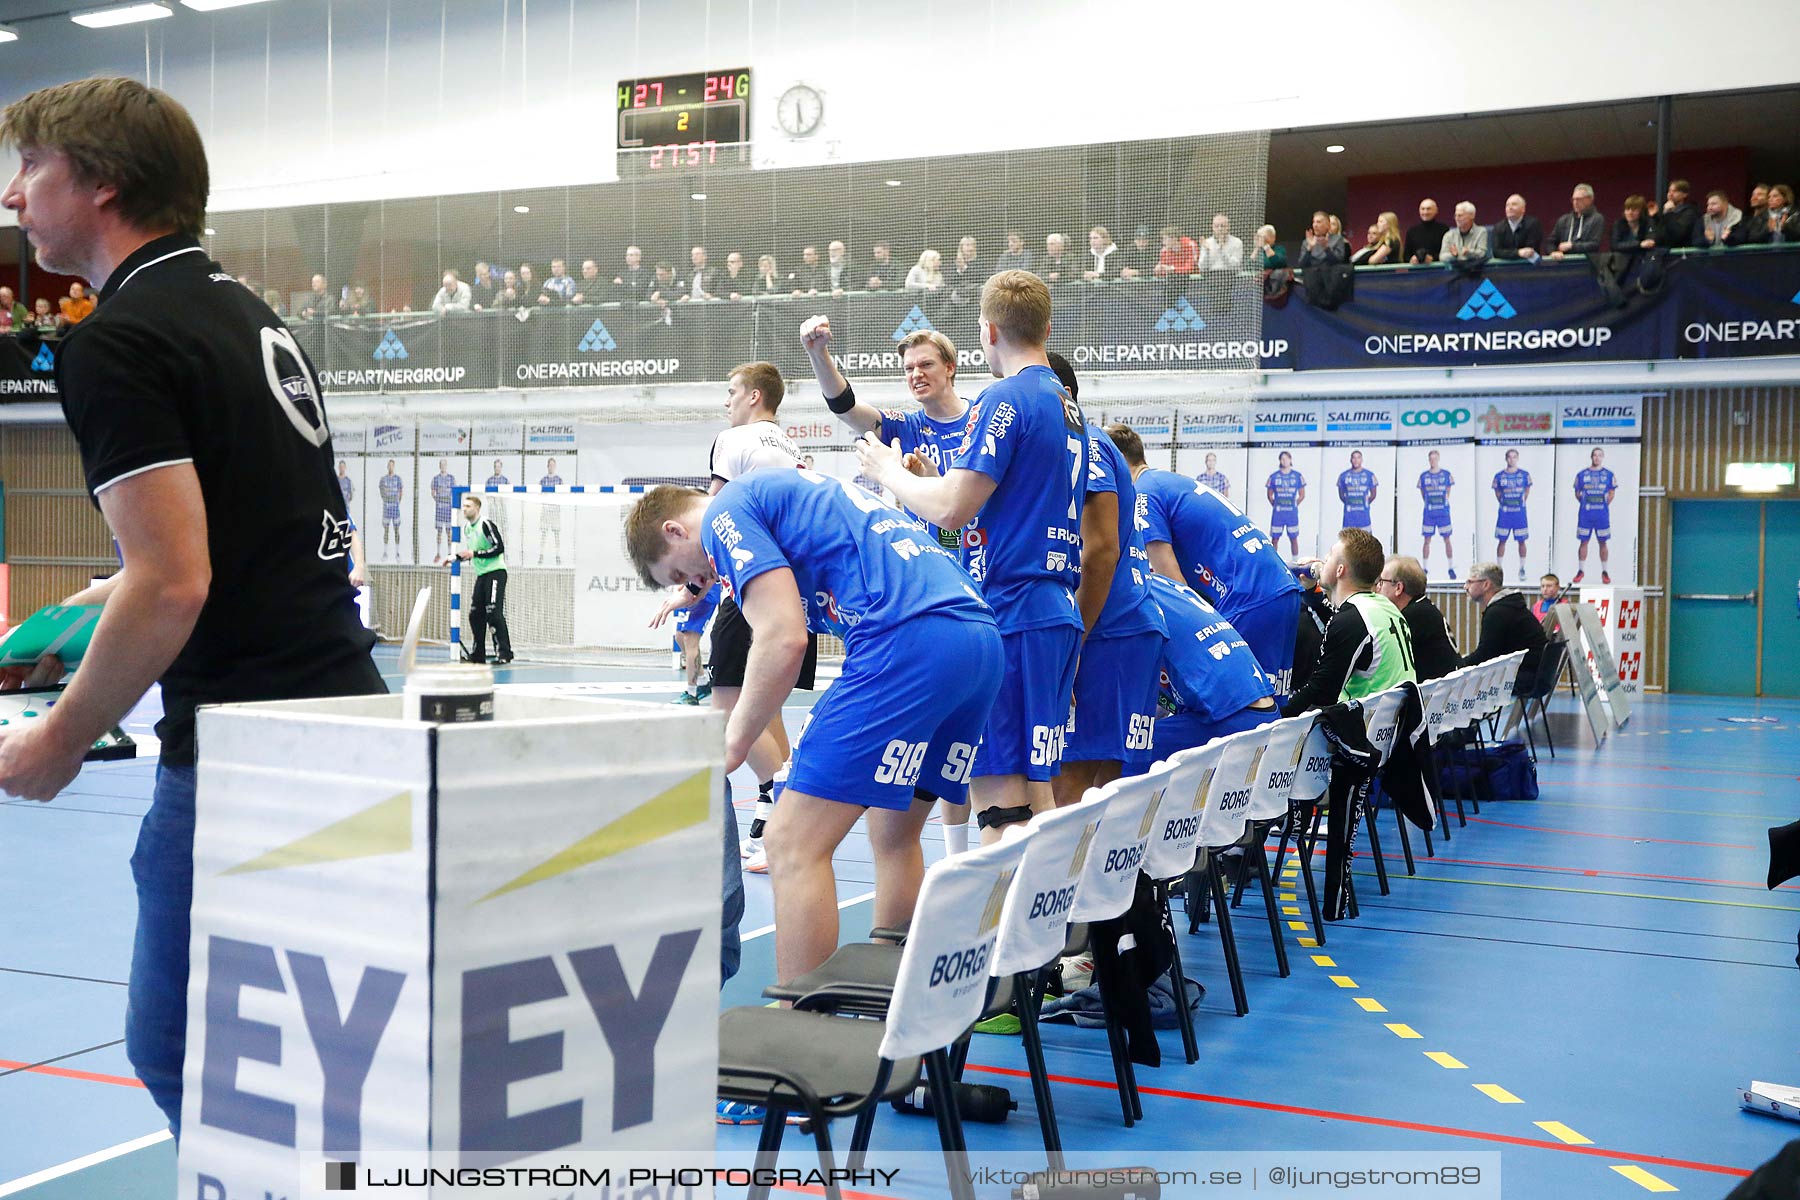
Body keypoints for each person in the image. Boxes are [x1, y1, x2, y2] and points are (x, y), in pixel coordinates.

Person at [0, 76, 383, 1137]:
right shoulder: (243, 313)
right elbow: (230, 544)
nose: (15, 196)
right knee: (315, 1049)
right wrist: (89, 615)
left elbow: (177, 580)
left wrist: (62, 737)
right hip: (344, 714)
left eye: (33, 166)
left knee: (182, 1051)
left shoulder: (117, 339)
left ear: (104, 181)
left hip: (243, 752)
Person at [625, 475, 1000, 992]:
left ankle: (801, 1031)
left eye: (682, 571)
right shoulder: (788, 498)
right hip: (977, 640)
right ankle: (896, 1006)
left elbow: (782, 638)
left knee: (790, 842)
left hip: (908, 638)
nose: (699, 578)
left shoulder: (723, 514)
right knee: (894, 833)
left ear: (674, 530)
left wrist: (732, 743)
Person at [856, 270, 1086, 844]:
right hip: (1054, 610)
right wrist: (938, 481)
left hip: (1011, 610)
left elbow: (953, 511)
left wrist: (887, 471)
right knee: (1040, 791)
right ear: (1047, 327)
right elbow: (998, 504)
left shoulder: (1004, 398)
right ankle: (1057, 926)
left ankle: (1001, 933)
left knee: (999, 800)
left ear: (986, 331)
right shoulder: (1064, 401)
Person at [801, 317, 980, 850]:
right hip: (935, 590)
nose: (916, 375)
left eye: (926, 365)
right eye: (908, 369)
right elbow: (849, 410)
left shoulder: (985, 421)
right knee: (950, 740)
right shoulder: (908, 426)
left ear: (951, 367)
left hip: (991, 584)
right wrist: (818, 354)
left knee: (983, 743)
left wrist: (935, 483)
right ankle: (953, 859)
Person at [658, 362, 813, 874]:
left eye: (731, 392)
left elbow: (714, 520)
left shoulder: (735, 439)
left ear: (753, 396)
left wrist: (692, 586)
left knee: (728, 708)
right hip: (795, 594)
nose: (726, 402)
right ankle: (774, 824)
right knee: (765, 709)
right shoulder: (790, 449)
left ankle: (789, 804)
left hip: (754, 587)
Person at [1047, 351, 1167, 805]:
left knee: (1069, 780)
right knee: (1104, 783)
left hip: (1109, 632)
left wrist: (1072, 638)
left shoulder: (1087, 445)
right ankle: (1098, 876)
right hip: (1127, 628)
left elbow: (1100, 551)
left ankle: (1057, 877)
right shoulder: (1088, 447)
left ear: (1066, 397)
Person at [1112, 424, 1306, 701]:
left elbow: (1175, 591)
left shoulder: (1142, 492)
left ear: (1118, 461)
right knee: (1273, 705)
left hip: (1248, 595)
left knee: (1241, 706)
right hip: (1279, 589)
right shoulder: (1166, 481)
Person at [1283, 529, 1416, 715]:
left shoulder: (1353, 619)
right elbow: (1335, 619)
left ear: (1340, 570)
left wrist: (1275, 717)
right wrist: (1311, 591)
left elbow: (1320, 692)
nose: (1322, 561)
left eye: (1328, 556)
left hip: (1360, 730)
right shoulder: (1382, 606)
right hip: (1391, 724)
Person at [1148, 574, 1280, 753]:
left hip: (1233, 718)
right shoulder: (1163, 584)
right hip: (1263, 711)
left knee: (1116, 753)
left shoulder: (1131, 595)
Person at [1461, 561, 1548, 687]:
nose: (1465, 587)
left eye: (1470, 582)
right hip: (1536, 672)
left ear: (1486, 584)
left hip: (1525, 675)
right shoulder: (1509, 606)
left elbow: (1485, 655)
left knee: (1465, 682)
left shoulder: (1498, 612)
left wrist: (1458, 665)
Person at [456, 493, 512, 665]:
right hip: (481, 575)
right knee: (475, 615)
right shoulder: (467, 529)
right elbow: (472, 552)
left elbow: (499, 547)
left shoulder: (485, 524)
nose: (465, 509)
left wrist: (474, 554)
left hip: (496, 572)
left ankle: (504, 653)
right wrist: (458, 557)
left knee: (493, 613)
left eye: (468, 506)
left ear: (477, 508)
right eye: (463, 507)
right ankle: (478, 654)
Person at [1380, 556, 1457, 681]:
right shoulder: (1422, 608)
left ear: (1398, 588)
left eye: (1382, 581)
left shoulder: (1411, 616)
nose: (1378, 587)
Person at [1571, 446, 1617, 584]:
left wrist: (1602, 505)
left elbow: (1611, 493)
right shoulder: (1581, 475)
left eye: (1599, 455)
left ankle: (1605, 571)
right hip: (1585, 514)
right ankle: (1581, 570)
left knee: (1603, 542)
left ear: (1603, 457)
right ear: (1591, 457)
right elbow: (1577, 493)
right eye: (1594, 455)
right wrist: (1586, 503)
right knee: (1583, 541)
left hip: (1602, 515)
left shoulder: (1609, 475)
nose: (1597, 457)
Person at [671, 581, 718, 706]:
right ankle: (702, 682)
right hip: (691, 589)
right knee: (679, 637)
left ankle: (692, 694)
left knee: (690, 639)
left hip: (705, 593)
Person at [1491, 447, 1532, 582]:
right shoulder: (1499, 476)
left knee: (1521, 541)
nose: (1512, 459)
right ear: (1506, 459)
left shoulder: (1524, 475)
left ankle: (1522, 568)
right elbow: (1497, 493)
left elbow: (1527, 491)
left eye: (1514, 457)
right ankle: (1499, 568)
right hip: (1505, 514)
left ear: (1517, 458)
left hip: (1519, 514)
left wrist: (1520, 502)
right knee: (1502, 540)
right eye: (1509, 457)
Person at [1418, 448, 1456, 579]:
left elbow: (1448, 492)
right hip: (1429, 513)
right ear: (1429, 460)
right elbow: (1423, 493)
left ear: (1438, 459)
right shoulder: (1424, 476)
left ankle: (1451, 568)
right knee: (1427, 540)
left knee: (1447, 539)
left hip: (1443, 512)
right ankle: (1425, 568)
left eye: (1435, 458)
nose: (1433, 461)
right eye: (1431, 458)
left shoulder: (1446, 474)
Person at [1266, 449, 1306, 556]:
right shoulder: (1274, 476)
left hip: (1291, 514)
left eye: (1286, 458)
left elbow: (1302, 495)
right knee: (1275, 538)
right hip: (1278, 514)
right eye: (1282, 459)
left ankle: (1296, 561)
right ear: (1280, 461)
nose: (1284, 461)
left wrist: (1293, 505)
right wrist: (1277, 505)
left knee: (1293, 538)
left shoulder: (1297, 476)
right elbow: (1269, 495)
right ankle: (1273, 560)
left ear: (1290, 460)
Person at [1550, 185, 1606, 259]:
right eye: (1573, 199)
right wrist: (1553, 252)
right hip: (1562, 263)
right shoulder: (1564, 220)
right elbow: (1551, 241)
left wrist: (1572, 246)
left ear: (1590, 199)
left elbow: (1594, 245)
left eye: (1579, 199)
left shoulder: (1597, 219)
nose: (1575, 202)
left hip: (1586, 263)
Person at [1492, 194, 1543, 261]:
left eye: (1514, 204)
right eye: (1507, 205)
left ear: (1523, 209)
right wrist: (1518, 253)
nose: (1510, 207)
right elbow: (1497, 252)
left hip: (1529, 267)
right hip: (1505, 268)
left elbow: (1530, 250)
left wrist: (1508, 253)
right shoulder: (1498, 227)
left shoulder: (1533, 224)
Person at [1440, 201, 1489, 268]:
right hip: (1454, 273)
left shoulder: (1481, 232)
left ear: (1472, 216)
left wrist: (1468, 253)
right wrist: (1455, 256)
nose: (1457, 218)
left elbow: (1482, 254)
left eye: (1460, 215)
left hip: (1475, 272)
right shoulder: (1449, 235)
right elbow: (1442, 257)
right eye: (1455, 215)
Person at [1337, 450, 1377, 529]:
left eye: (1358, 458)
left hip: (1364, 519)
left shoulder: (1369, 475)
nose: (1356, 460)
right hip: (1349, 519)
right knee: (1348, 541)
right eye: (1354, 458)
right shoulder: (1343, 476)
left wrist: (1365, 502)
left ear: (1362, 460)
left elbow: (1373, 495)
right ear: (1350, 460)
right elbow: (1341, 495)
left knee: (1365, 541)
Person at [1404, 199, 1450, 265]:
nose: (1425, 212)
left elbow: (1447, 253)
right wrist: (1412, 259)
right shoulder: (1411, 231)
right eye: (1422, 209)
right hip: (1415, 271)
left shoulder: (1444, 229)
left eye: (1429, 209)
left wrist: (1433, 258)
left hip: (1439, 271)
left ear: (1436, 210)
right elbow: (1406, 256)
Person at [537, 457, 564, 564]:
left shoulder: (559, 480)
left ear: (555, 466)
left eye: (553, 465)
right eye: (550, 465)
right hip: (546, 510)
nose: (551, 467)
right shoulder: (543, 481)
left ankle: (557, 556)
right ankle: (541, 555)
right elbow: (539, 495)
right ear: (547, 466)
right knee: (544, 533)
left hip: (555, 511)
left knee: (556, 534)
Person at [429, 458, 457, 561]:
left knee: (449, 532)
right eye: (441, 465)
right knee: (439, 532)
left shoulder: (451, 478)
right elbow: (433, 492)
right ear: (439, 466)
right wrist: (438, 499)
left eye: (444, 465)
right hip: (440, 508)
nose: (443, 467)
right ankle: (438, 553)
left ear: (446, 466)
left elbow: (454, 492)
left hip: (448, 509)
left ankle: (450, 553)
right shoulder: (436, 479)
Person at [378, 458, 404, 560]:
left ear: (394, 466)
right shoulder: (383, 479)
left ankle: (397, 553)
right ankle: (385, 552)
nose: (390, 467)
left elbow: (401, 492)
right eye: (389, 465)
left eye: (392, 465)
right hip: (386, 508)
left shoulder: (398, 479)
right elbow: (381, 491)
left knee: (396, 530)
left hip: (395, 508)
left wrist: (397, 501)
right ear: (387, 467)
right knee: (386, 530)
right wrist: (386, 500)